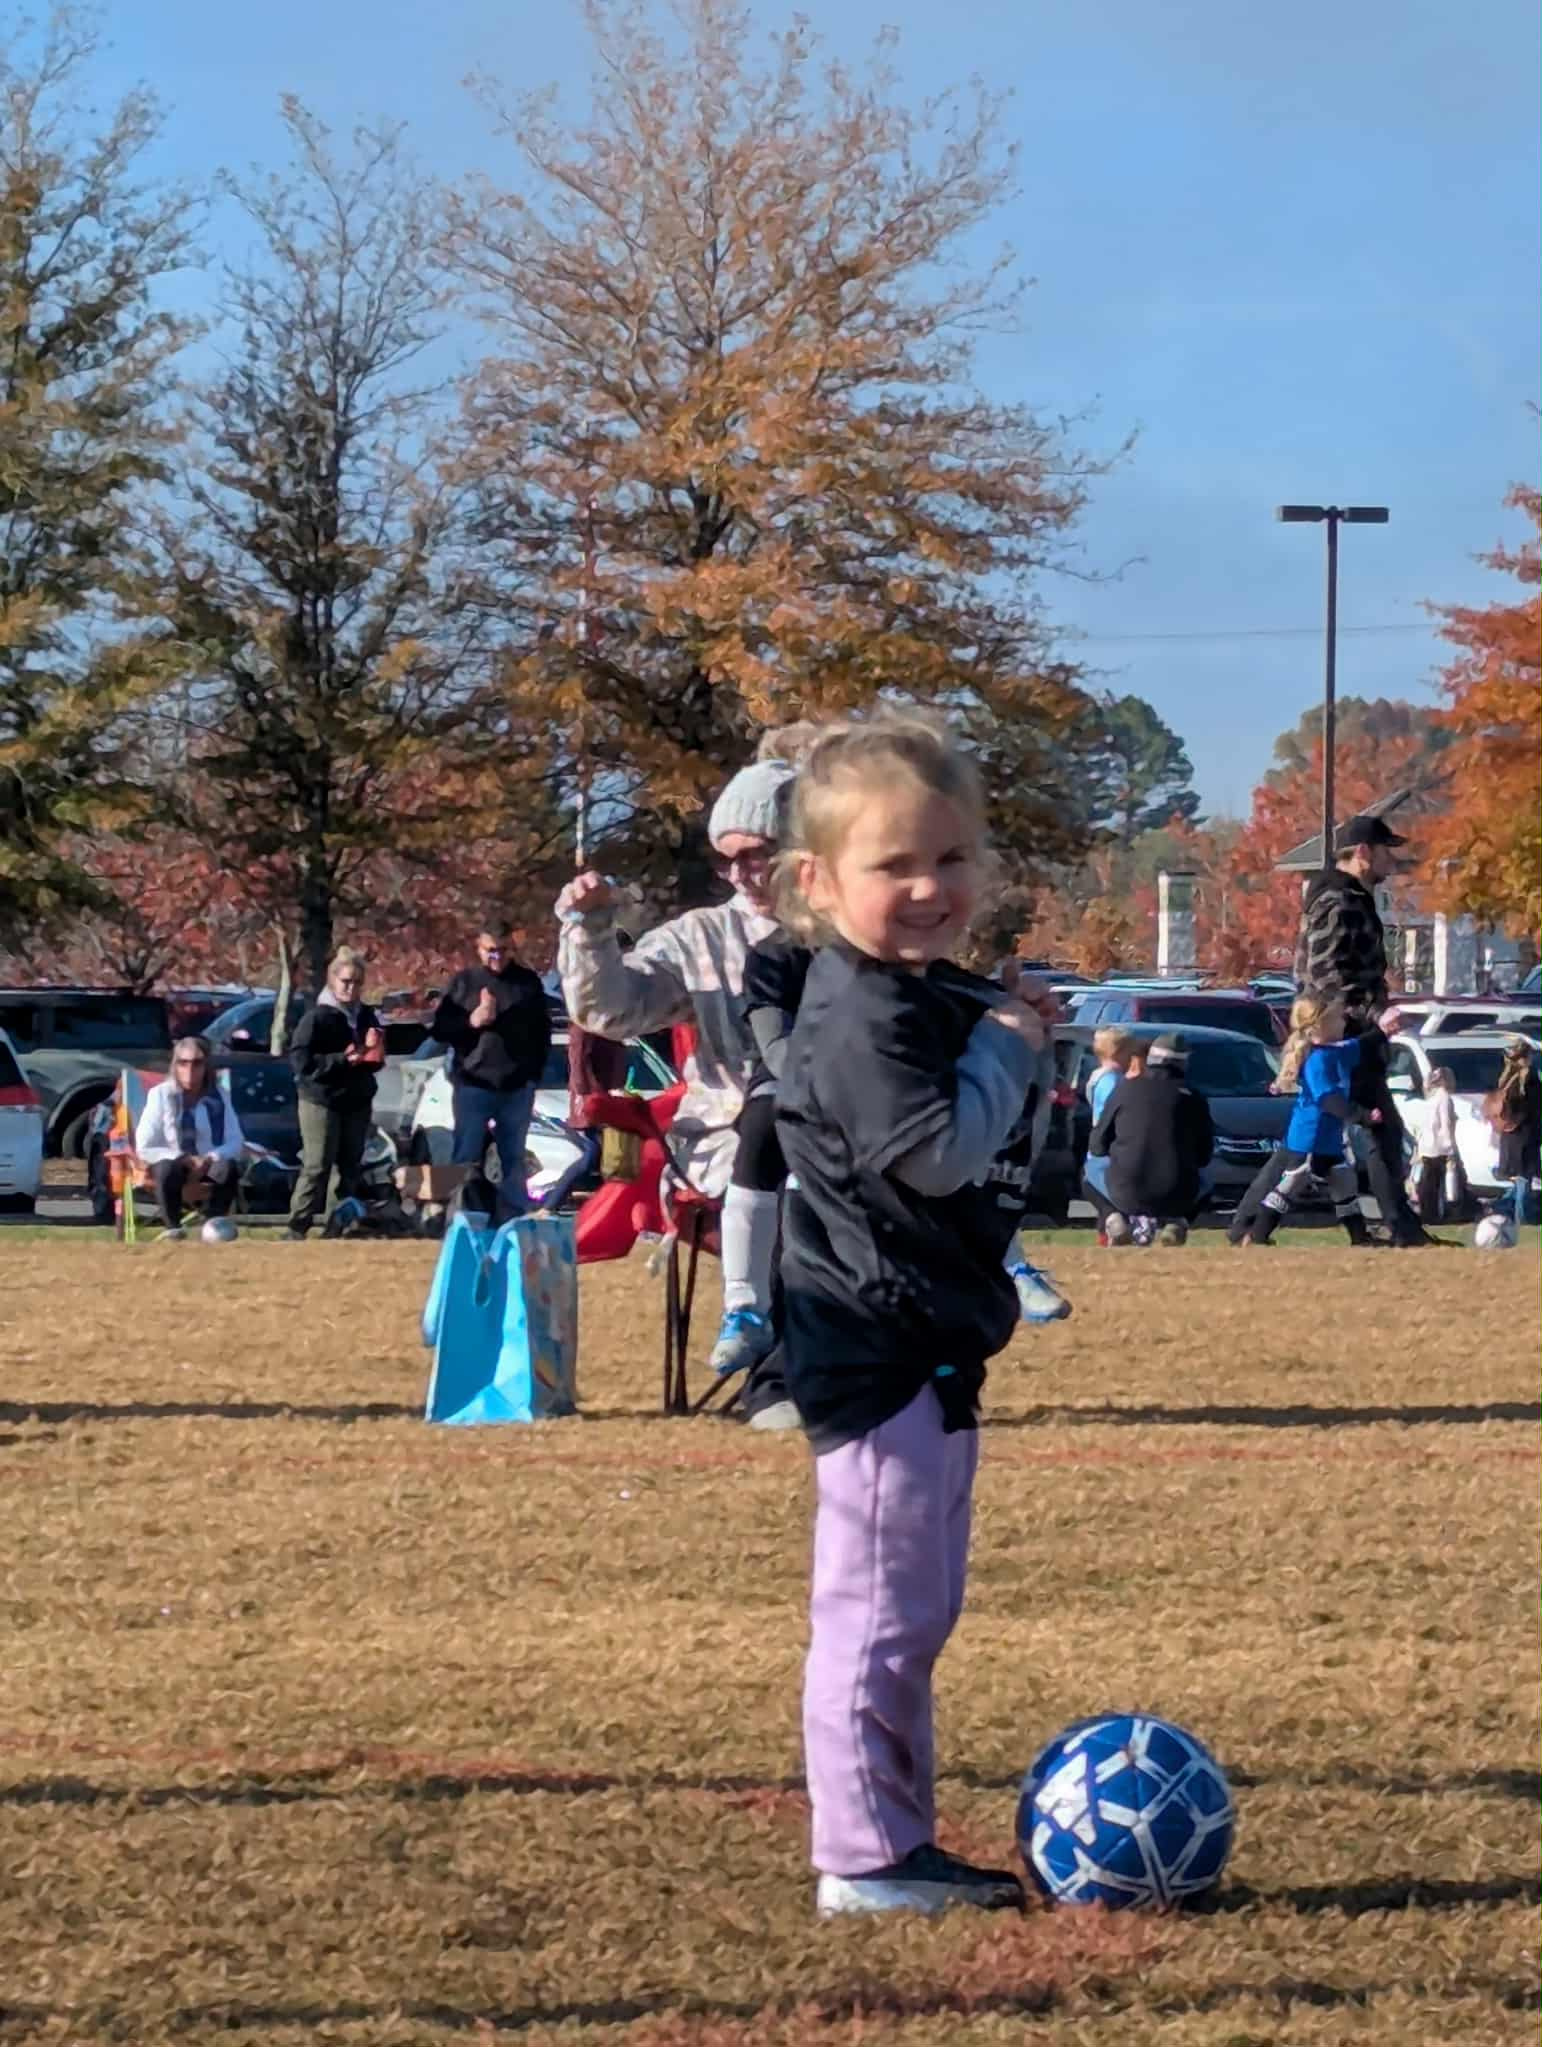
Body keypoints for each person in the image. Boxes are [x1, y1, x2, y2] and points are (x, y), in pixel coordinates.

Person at [773, 713, 1042, 1918]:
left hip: (924, 1341)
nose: (930, 887)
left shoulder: (912, 992)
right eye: (894, 866)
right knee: (878, 1611)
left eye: (951, 858)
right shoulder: (865, 1016)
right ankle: (870, 1855)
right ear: (817, 883)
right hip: (876, 1347)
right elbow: (935, 1155)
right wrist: (1007, 1056)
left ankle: (896, 1834)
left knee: (917, 1606)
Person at [556, 742, 800, 1411]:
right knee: (797, 1200)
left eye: (757, 852)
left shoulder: (849, 932)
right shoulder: (700, 937)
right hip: (722, 1135)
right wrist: (593, 932)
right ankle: (774, 1381)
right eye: (729, 856)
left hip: (836, 1131)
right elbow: (611, 1007)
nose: (740, 871)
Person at [1295, 814, 1432, 1246]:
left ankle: (1247, 1225)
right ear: (1361, 853)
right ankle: (1402, 1228)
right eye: (1386, 849)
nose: (1393, 859)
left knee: (1367, 1134)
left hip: (1356, 1038)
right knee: (1374, 1132)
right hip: (1343, 1038)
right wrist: (1373, 1014)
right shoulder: (1337, 901)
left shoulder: (1354, 897)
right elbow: (1325, 974)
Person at [1226, 995, 1390, 1247]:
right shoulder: (1316, 1061)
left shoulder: (1334, 1051)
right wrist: (1362, 1116)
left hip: (1329, 1140)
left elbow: (1362, 1045)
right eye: (1336, 1019)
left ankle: (1360, 1238)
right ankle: (1257, 1236)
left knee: (1344, 1185)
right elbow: (1328, 1100)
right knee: (1290, 1185)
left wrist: (1385, 1029)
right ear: (1317, 1028)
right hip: (1309, 1140)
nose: (1342, 1023)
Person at [431, 921, 552, 1216]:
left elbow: (542, 1033)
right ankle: (461, 1216)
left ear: (511, 948)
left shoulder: (527, 984)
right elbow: (439, 1029)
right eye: (490, 951)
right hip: (474, 1085)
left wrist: (532, 1076)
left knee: (513, 1157)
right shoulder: (464, 983)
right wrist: (472, 1021)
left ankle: (513, 1216)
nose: (496, 956)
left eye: (502, 950)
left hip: (516, 1088)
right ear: (479, 948)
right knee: (466, 1154)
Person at [284, 947, 384, 1241]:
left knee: (349, 1164)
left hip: (356, 1099)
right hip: (320, 1099)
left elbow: (371, 1058)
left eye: (356, 983)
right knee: (317, 1163)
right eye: (345, 981)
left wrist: (373, 1054)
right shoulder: (317, 1017)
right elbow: (301, 1062)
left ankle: (338, 1223)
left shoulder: (366, 1015)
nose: (350, 988)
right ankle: (296, 1225)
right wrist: (342, 1059)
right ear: (332, 981)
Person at [1087, 1033, 1214, 1246]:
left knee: (1089, 1170)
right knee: (1208, 1178)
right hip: (1178, 1193)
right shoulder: (1195, 1098)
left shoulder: (1124, 1089)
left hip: (1124, 1190)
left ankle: (1113, 1217)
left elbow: (1098, 1145)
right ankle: (1178, 1221)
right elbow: (1204, 1156)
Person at [134, 1036, 245, 1241]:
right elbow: (145, 1145)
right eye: (183, 1063)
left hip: (207, 1166)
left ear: (206, 1066)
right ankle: (173, 1228)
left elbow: (236, 1141)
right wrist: (182, 1157)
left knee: (227, 1167)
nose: (190, 1069)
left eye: (197, 1063)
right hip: (174, 1167)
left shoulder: (219, 1096)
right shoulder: (160, 1095)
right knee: (167, 1167)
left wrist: (211, 1157)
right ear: (175, 1066)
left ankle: (214, 1227)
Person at [1081, 1026, 1136, 1245]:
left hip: (1099, 1145)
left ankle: (1107, 1235)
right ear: (1118, 1052)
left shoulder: (1097, 1078)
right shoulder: (1114, 1081)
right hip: (1111, 1146)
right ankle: (1115, 1224)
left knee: (1099, 1190)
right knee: (1109, 1193)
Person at [1485, 1037, 1541, 1226]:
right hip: (1526, 1133)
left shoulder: (1506, 1078)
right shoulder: (1529, 1078)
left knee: (1518, 1179)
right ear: (1526, 1056)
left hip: (1509, 1134)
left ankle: (1497, 1208)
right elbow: (1535, 1107)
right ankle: (1520, 1219)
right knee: (1524, 1179)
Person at [1413, 1065, 1461, 1225]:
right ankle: (1436, 1213)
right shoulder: (1445, 1098)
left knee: (1428, 1181)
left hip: (1427, 1145)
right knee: (1437, 1182)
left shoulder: (1430, 1099)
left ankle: (1428, 1212)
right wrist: (1451, 1147)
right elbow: (1445, 1123)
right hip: (1440, 1146)